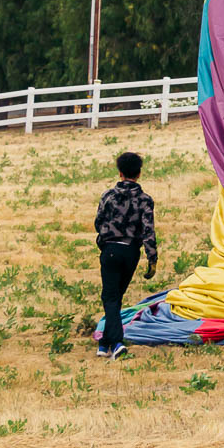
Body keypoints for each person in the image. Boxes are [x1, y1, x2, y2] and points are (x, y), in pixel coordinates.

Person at [94, 151, 157, 358]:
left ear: (119, 173)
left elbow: (98, 222)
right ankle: (105, 343)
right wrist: (152, 258)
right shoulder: (145, 200)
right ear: (139, 174)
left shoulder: (108, 196)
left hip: (110, 250)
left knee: (110, 298)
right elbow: (148, 230)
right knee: (116, 297)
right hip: (131, 252)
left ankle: (116, 342)